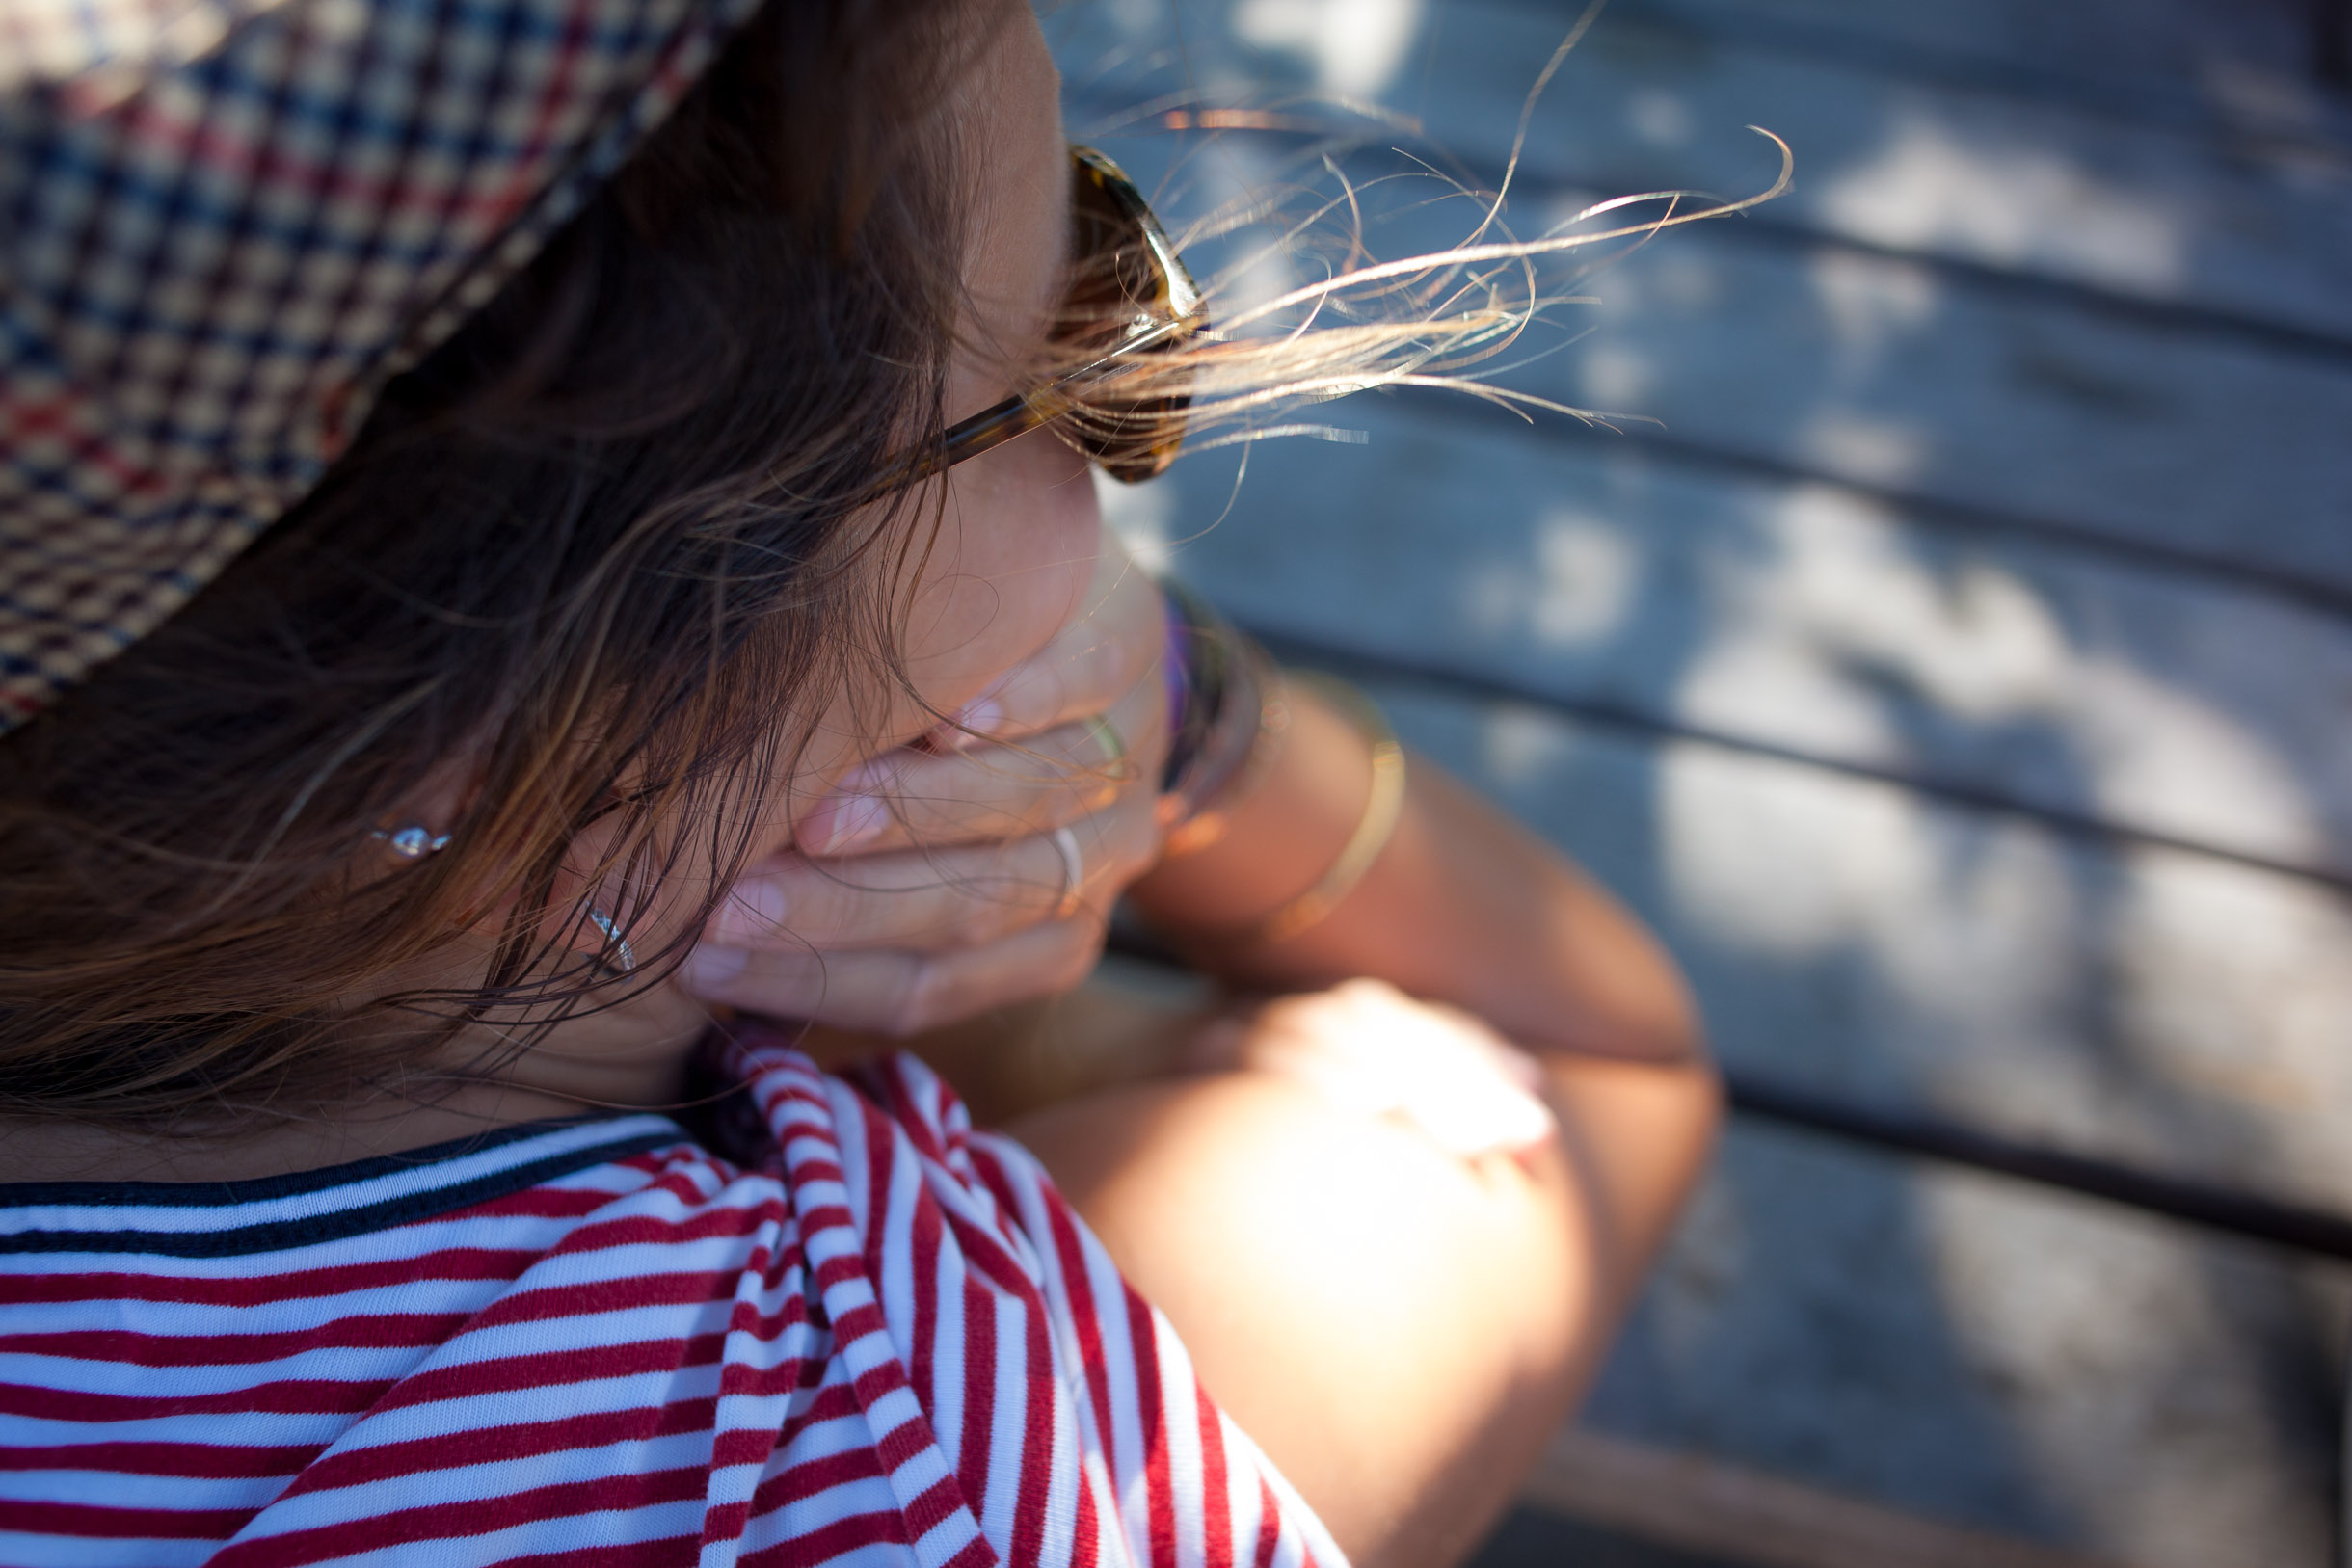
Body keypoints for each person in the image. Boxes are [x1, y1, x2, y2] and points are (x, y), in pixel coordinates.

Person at [0, 0, 1716, 1563]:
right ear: (586, 691)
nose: (1119, 421)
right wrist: (1192, 727)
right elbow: (1589, 1059)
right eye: (1070, 334)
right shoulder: (920, 1450)